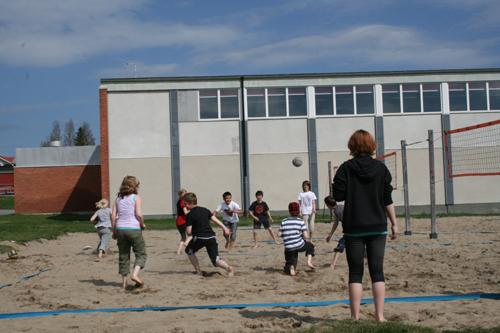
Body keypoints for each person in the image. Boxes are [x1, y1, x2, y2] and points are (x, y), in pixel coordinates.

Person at [332, 129, 398, 322]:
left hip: (354, 226)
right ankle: (380, 316)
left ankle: (355, 317)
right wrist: (394, 223)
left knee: (355, 272)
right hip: (377, 224)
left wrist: (336, 183)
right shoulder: (381, 168)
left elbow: (338, 196)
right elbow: (387, 199)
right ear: (371, 145)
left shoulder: (345, 168)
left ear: (352, 146)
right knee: (377, 271)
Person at [184, 192, 234, 276]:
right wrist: (225, 228)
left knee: (189, 250)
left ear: (190, 203)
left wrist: (189, 230)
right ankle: (228, 268)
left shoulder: (190, 214)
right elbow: (215, 219)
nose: (185, 206)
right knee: (216, 260)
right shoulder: (205, 210)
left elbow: (189, 232)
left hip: (199, 238)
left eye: (185, 203)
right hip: (211, 237)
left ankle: (198, 271)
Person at [111, 175, 147, 289]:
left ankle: (124, 283)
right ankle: (135, 275)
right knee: (141, 253)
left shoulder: (117, 199)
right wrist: (142, 224)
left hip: (121, 229)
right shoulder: (136, 197)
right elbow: (138, 214)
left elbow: (113, 216)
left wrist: (114, 231)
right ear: (135, 186)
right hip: (134, 229)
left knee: (123, 255)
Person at [278, 202, 315, 276]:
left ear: (289, 211)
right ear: (298, 211)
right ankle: (309, 262)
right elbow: (306, 236)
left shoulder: (284, 221)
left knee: (290, 259)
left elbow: (279, 234)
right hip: (299, 245)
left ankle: (291, 267)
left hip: (288, 247)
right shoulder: (300, 221)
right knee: (310, 246)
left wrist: (286, 234)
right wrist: (300, 235)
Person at [324, 195, 345, 270]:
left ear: (328, 205)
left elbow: (336, 223)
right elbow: (336, 223)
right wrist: (330, 234)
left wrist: (330, 235)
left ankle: (333, 264)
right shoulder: (341, 206)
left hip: (350, 230)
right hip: (355, 228)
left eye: (326, 205)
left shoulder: (336, 211)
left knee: (340, 246)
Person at [175, 188, 190, 255]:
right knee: (192, 234)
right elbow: (186, 212)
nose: (186, 195)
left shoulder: (179, 201)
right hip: (182, 221)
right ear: (181, 195)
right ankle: (186, 244)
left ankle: (178, 251)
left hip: (178, 221)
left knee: (183, 237)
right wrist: (193, 209)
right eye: (185, 194)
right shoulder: (182, 202)